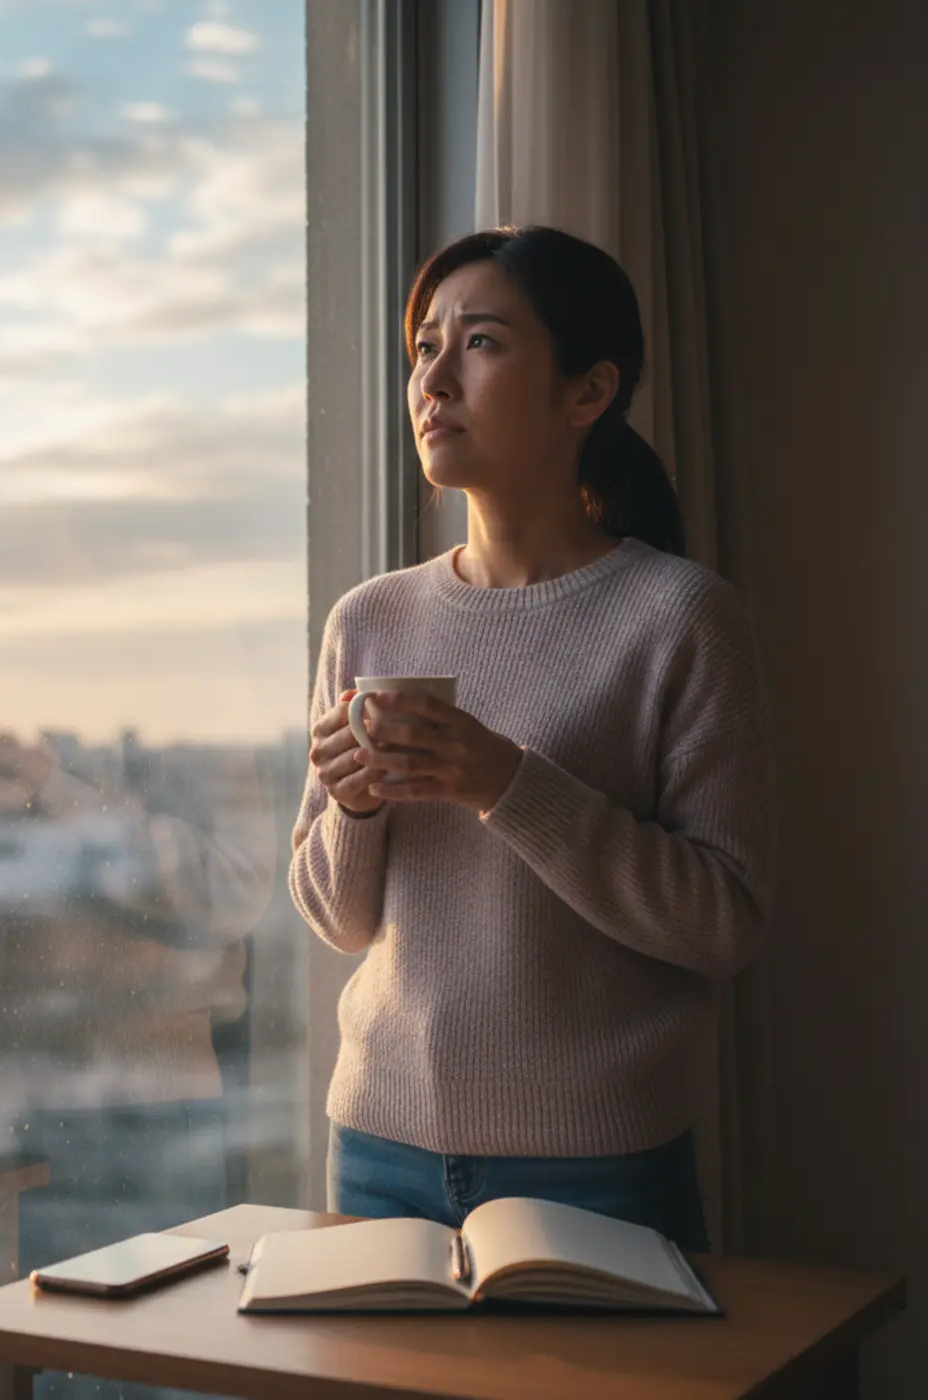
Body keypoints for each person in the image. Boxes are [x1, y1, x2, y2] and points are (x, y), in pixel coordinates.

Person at [289, 225, 777, 1253]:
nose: (432, 376)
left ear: (585, 391)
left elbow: (724, 919)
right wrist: (355, 804)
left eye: (478, 342)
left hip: (597, 1165)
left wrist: (505, 780)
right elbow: (338, 918)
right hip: (376, 1146)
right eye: (423, 345)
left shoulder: (677, 615)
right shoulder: (367, 621)